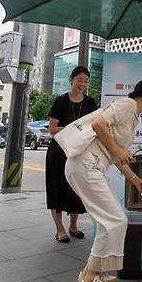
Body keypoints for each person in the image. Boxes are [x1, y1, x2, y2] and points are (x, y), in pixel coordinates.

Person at [65, 78, 142, 282]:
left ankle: (91, 272)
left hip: (89, 166)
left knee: (109, 220)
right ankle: (90, 278)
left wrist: (135, 179)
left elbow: (118, 157)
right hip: (86, 164)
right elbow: (99, 124)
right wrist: (117, 149)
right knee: (116, 220)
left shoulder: (133, 117)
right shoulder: (128, 105)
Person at [46, 66, 98, 243]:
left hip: (79, 152)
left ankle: (73, 226)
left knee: (77, 189)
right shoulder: (60, 101)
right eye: (79, 80)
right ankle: (60, 228)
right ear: (72, 80)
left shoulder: (90, 103)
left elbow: (94, 126)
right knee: (57, 188)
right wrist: (74, 129)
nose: (82, 84)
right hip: (59, 152)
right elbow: (52, 128)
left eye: (85, 81)